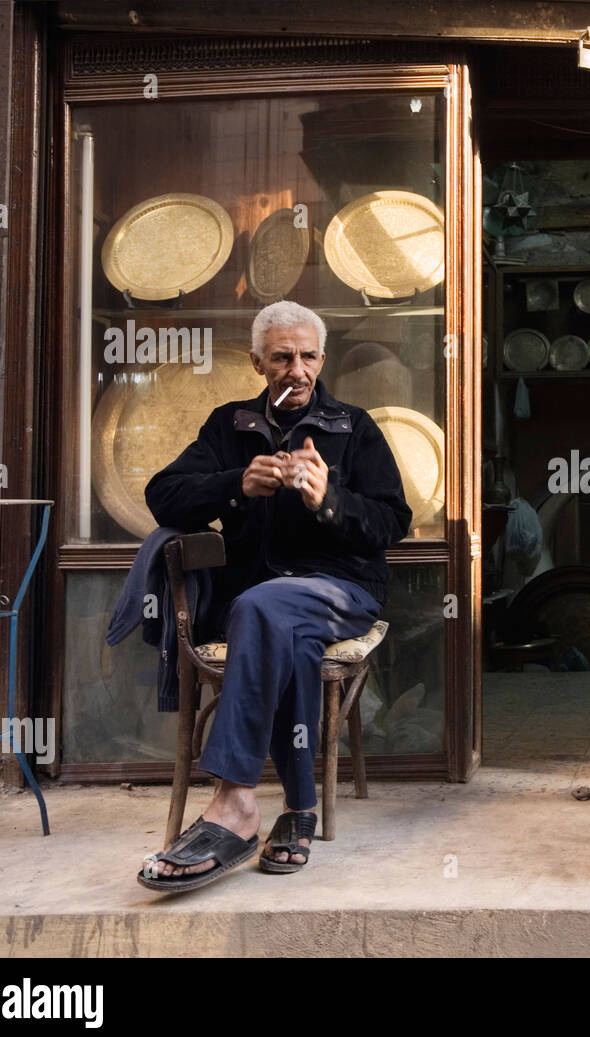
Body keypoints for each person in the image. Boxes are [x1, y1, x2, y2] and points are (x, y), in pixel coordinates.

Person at [136, 300, 412, 893]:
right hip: (259, 602)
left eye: (308, 356)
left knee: (263, 610)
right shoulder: (228, 425)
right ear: (257, 362)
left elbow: (393, 523)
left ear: (321, 359)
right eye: (282, 357)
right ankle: (299, 811)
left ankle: (234, 802)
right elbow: (163, 495)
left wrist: (328, 499)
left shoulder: (353, 427)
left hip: (343, 591)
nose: (297, 369)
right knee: (272, 621)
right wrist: (233, 483)